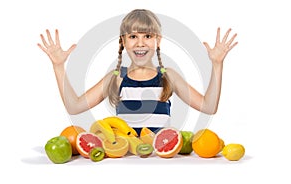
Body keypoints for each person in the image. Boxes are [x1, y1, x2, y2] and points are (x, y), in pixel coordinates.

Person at [37, 9, 238, 135]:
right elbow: (74, 106)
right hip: (124, 160)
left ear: (157, 41)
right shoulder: (116, 78)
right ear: (123, 42)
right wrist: (58, 67)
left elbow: (209, 107)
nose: (140, 42)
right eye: (133, 36)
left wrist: (217, 64)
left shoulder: (168, 76)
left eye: (147, 35)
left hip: (162, 161)